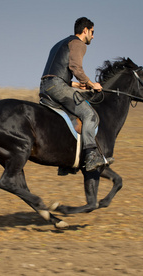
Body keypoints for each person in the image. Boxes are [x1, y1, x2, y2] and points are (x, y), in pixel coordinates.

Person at [40, 17, 107, 172]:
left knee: (69, 117)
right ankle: (91, 155)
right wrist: (91, 84)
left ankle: (65, 162)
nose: (93, 36)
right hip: (57, 87)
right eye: (92, 32)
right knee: (89, 114)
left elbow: (56, 73)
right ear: (85, 30)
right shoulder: (79, 44)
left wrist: (77, 85)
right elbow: (76, 68)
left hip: (46, 86)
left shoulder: (59, 44)